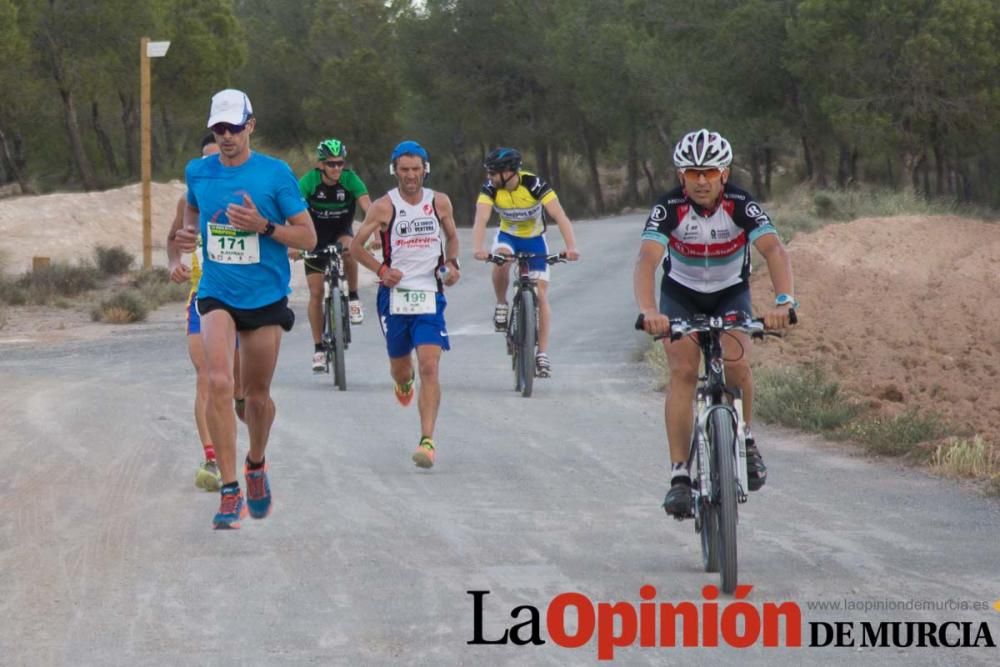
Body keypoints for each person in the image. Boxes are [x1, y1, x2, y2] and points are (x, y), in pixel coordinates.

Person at [633, 128, 796, 518]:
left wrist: (784, 300)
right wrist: (648, 311)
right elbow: (647, 260)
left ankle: (746, 440)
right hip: (681, 295)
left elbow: (773, 249)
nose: (701, 180)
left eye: (709, 172)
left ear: (724, 173)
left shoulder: (741, 203)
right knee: (684, 371)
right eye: (692, 173)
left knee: (737, 363)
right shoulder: (668, 208)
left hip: (729, 292)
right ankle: (679, 477)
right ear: (680, 177)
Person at [174, 89, 316, 529]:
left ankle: (256, 462)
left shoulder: (275, 175)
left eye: (235, 127)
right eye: (220, 129)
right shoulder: (198, 172)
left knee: (255, 397)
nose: (228, 136)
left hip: (265, 299)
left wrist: (264, 226)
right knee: (218, 381)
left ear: (251, 125)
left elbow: (308, 237)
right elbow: (192, 221)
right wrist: (183, 243)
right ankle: (230, 489)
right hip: (216, 292)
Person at [350, 141, 460, 469]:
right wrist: (382, 271)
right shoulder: (384, 206)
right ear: (394, 171)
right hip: (394, 297)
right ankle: (402, 381)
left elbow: (452, 236)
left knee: (429, 365)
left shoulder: (439, 202)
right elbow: (356, 248)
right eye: (404, 170)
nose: (410, 176)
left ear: (425, 169)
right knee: (402, 367)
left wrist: (453, 264)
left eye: (416, 169)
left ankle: (427, 441)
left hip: (429, 293)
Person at [166, 134, 246, 492]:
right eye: (205, 158)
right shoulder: (189, 198)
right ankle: (212, 458)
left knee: (240, 389)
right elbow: (174, 237)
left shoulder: (248, 194)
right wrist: (174, 263)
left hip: (245, 300)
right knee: (208, 378)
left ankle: (250, 446)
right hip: (204, 298)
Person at [471, 147, 580, 378]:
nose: (489, 178)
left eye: (493, 173)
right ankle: (502, 303)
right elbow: (481, 219)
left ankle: (542, 353)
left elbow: (559, 216)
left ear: (508, 172)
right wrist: (478, 248)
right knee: (500, 259)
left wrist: (571, 247)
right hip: (507, 236)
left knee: (540, 294)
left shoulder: (534, 184)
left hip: (534, 240)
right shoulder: (490, 189)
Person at [293, 138, 372, 372]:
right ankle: (318, 348)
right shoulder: (308, 182)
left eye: (340, 163)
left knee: (350, 249)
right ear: (321, 165)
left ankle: (354, 298)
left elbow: (370, 207)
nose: (336, 168)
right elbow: (291, 210)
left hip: (340, 233)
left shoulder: (350, 180)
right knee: (316, 292)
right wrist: (292, 243)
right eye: (330, 164)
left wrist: (377, 232)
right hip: (314, 237)